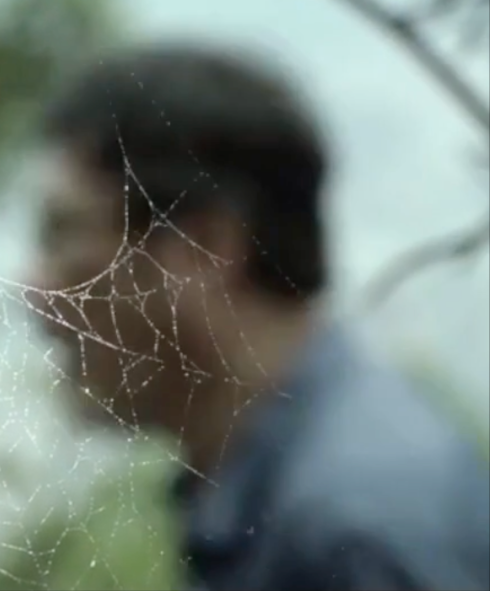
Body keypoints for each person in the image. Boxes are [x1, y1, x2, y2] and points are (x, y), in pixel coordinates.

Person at [26, 41, 490, 590]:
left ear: (202, 246)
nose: (35, 292)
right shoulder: (275, 487)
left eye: (63, 235)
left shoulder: (353, 530)